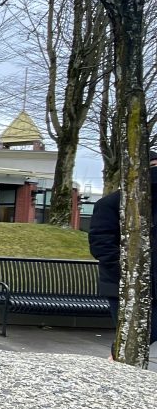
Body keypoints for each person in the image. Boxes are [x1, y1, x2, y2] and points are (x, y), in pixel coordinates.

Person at [88, 150, 157, 357]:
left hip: (130, 281)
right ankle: (115, 366)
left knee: (136, 336)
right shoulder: (112, 204)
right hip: (123, 284)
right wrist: (128, 272)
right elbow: (102, 245)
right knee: (133, 336)